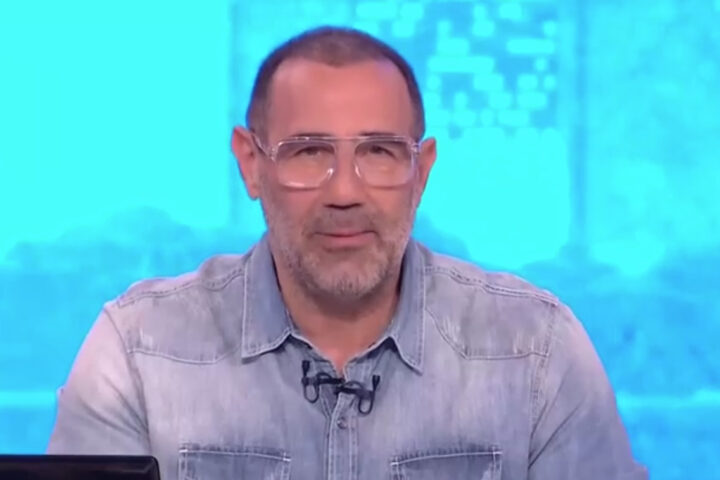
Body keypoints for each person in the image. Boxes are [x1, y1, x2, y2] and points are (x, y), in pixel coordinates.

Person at [48, 26, 647, 479]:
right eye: (309, 152)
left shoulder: (536, 351)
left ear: (421, 171)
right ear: (251, 164)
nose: (344, 192)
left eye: (380, 153)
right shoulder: (138, 353)